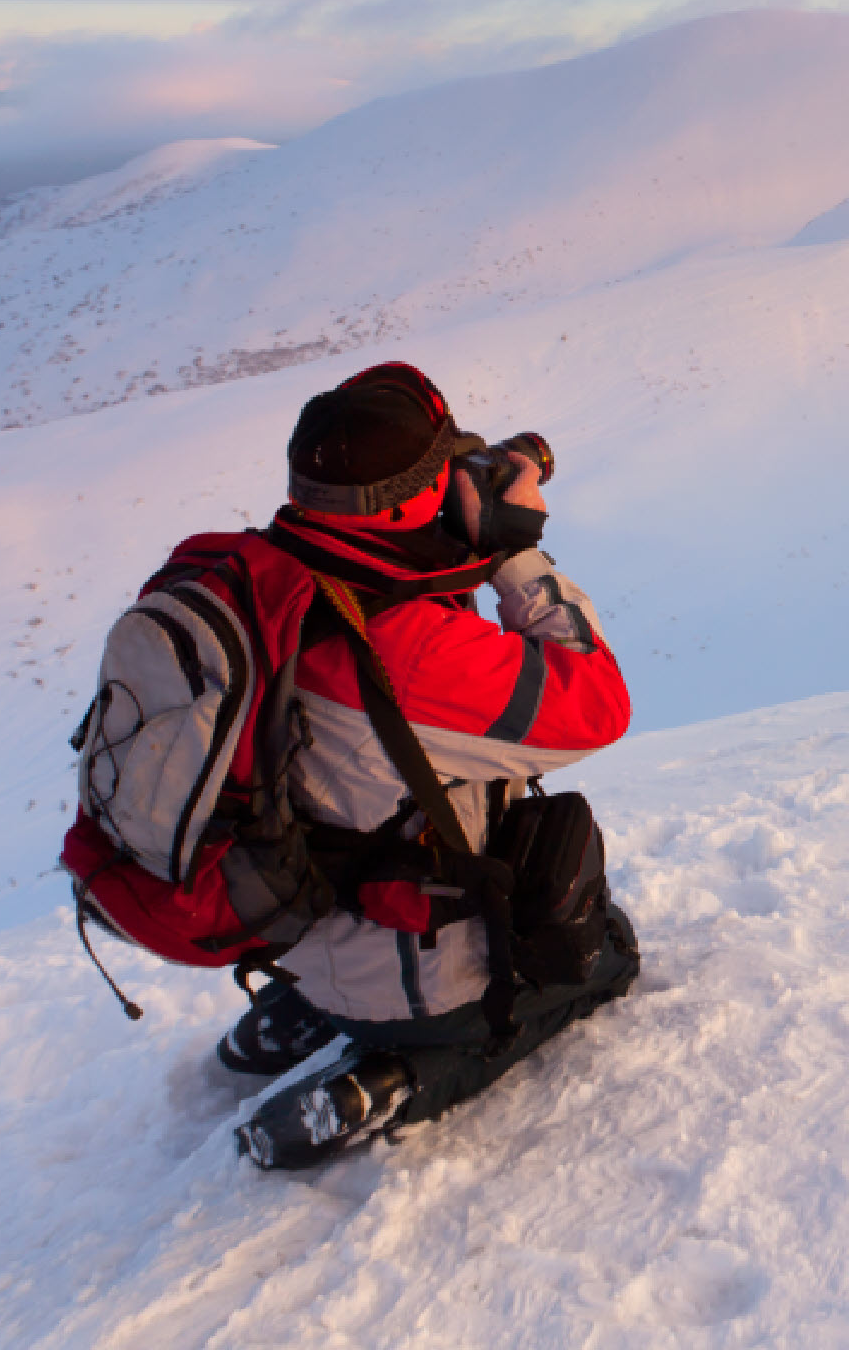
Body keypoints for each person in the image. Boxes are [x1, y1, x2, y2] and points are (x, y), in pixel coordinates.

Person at [223, 362, 638, 1170]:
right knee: (608, 951)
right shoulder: (412, 653)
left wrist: (442, 553)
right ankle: (400, 1073)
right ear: (414, 501)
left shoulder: (266, 589)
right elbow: (597, 704)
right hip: (413, 974)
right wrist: (517, 555)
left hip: (294, 932)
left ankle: (294, 1017)